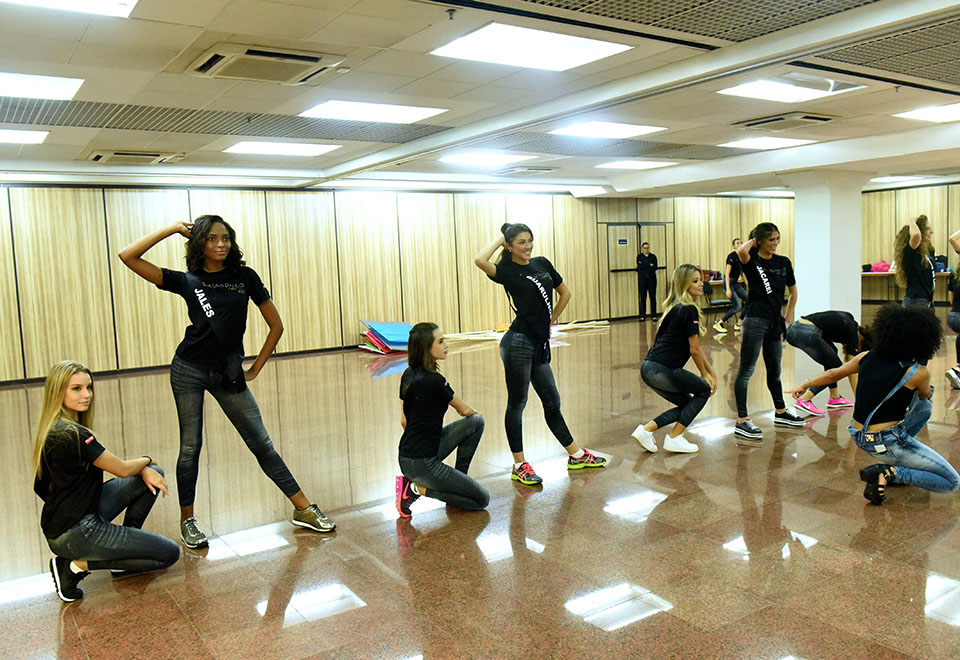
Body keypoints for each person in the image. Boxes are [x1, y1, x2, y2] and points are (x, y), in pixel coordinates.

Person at [118, 215, 335, 548]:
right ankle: (187, 520)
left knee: (262, 444)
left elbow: (276, 326)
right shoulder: (188, 279)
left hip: (228, 372)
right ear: (200, 243)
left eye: (226, 238)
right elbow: (127, 256)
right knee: (190, 447)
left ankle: (303, 509)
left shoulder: (244, 277)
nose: (221, 244)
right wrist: (171, 229)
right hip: (188, 368)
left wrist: (257, 368)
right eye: (212, 238)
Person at [33, 361, 180, 602]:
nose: (86, 395)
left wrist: (146, 469)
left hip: (65, 522)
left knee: (152, 472)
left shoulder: (52, 429)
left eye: (88, 387)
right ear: (58, 392)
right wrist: (146, 460)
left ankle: (123, 553)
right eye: (76, 389)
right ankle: (73, 567)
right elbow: (122, 469)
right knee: (169, 553)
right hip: (78, 532)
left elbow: (39, 487)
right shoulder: (74, 435)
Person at [474, 223, 607, 485]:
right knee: (518, 403)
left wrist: (551, 321)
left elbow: (565, 293)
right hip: (518, 343)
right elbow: (479, 260)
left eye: (529, 241)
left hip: (539, 342)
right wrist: (500, 238)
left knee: (552, 401)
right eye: (520, 242)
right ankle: (519, 464)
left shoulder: (542, 263)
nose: (527, 247)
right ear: (509, 246)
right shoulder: (507, 271)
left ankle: (576, 455)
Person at [789, 304, 959, 505]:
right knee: (952, 481)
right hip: (887, 441)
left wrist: (805, 385)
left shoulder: (866, 356)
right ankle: (890, 473)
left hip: (860, 437)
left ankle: (895, 463)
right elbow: (923, 398)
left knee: (923, 406)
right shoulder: (917, 372)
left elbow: (832, 374)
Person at [394, 323, 489, 517]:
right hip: (424, 463)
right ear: (426, 348)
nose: (446, 345)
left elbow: (404, 421)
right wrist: (475, 410)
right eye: (441, 341)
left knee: (476, 422)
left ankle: (458, 482)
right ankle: (414, 490)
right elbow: (464, 410)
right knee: (481, 500)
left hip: (407, 456)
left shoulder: (408, 374)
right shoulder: (435, 381)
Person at [631, 264, 717, 454]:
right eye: (695, 281)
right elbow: (694, 350)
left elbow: (695, 348)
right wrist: (704, 376)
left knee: (688, 404)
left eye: (700, 280)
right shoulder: (688, 310)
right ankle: (675, 437)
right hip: (664, 368)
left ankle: (646, 430)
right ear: (684, 284)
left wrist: (712, 373)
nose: (701, 284)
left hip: (649, 368)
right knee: (703, 392)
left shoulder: (675, 309)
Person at [733, 223, 805, 439]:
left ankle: (781, 412)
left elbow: (793, 291)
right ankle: (742, 420)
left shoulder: (783, 262)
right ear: (760, 240)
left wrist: (789, 317)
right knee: (746, 370)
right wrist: (754, 239)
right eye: (771, 239)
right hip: (755, 319)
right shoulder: (751, 261)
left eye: (777, 239)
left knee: (775, 370)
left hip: (776, 321)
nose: (775, 243)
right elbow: (741, 251)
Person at [787, 311, 871, 415]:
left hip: (794, 329)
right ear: (862, 341)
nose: (857, 351)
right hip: (806, 332)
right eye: (859, 350)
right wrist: (859, 401)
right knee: (837, 368)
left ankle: (834, 397)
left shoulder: (847, 321)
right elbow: (851, 369)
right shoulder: (853, 333)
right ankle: (805, 399)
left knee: (832, 354)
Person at [894, 214, 934, 308]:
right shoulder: (910, 252)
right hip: (915, 301)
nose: (932, 232)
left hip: (925, 300)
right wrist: (912, 221)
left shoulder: (925, 253)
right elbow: (916, 235)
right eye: (927, 229)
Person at [713, 238, 747, 334]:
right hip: (728, 283)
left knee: (749, 300)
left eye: (741, 242)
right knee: (737, 306)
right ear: (734, 246)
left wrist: (748, 285)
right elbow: (727, 274)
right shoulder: (731, 256)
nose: (740, 244)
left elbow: (742, 273)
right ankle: (719, 323)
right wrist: (728, 289)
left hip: (735, 283)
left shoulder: (742, 257)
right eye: (737, 243)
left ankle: (739, 323)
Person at [946, 229, 960, 388]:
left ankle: (958, 368)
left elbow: (951, 299)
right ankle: (957, 369)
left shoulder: (954, 273)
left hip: (953, 316)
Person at [637, 242, 659, 321]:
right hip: (642, 280)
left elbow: (655, 267)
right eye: (645, 248)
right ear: (642, 249)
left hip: (652, 279)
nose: (646, 250)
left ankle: (654, 315)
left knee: (652, 297)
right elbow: (640, 267)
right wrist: (649, 265)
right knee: (643, 297)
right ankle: (642, 315)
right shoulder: (639, 257)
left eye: (647, 248)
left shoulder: (653, 257)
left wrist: (646, 265)